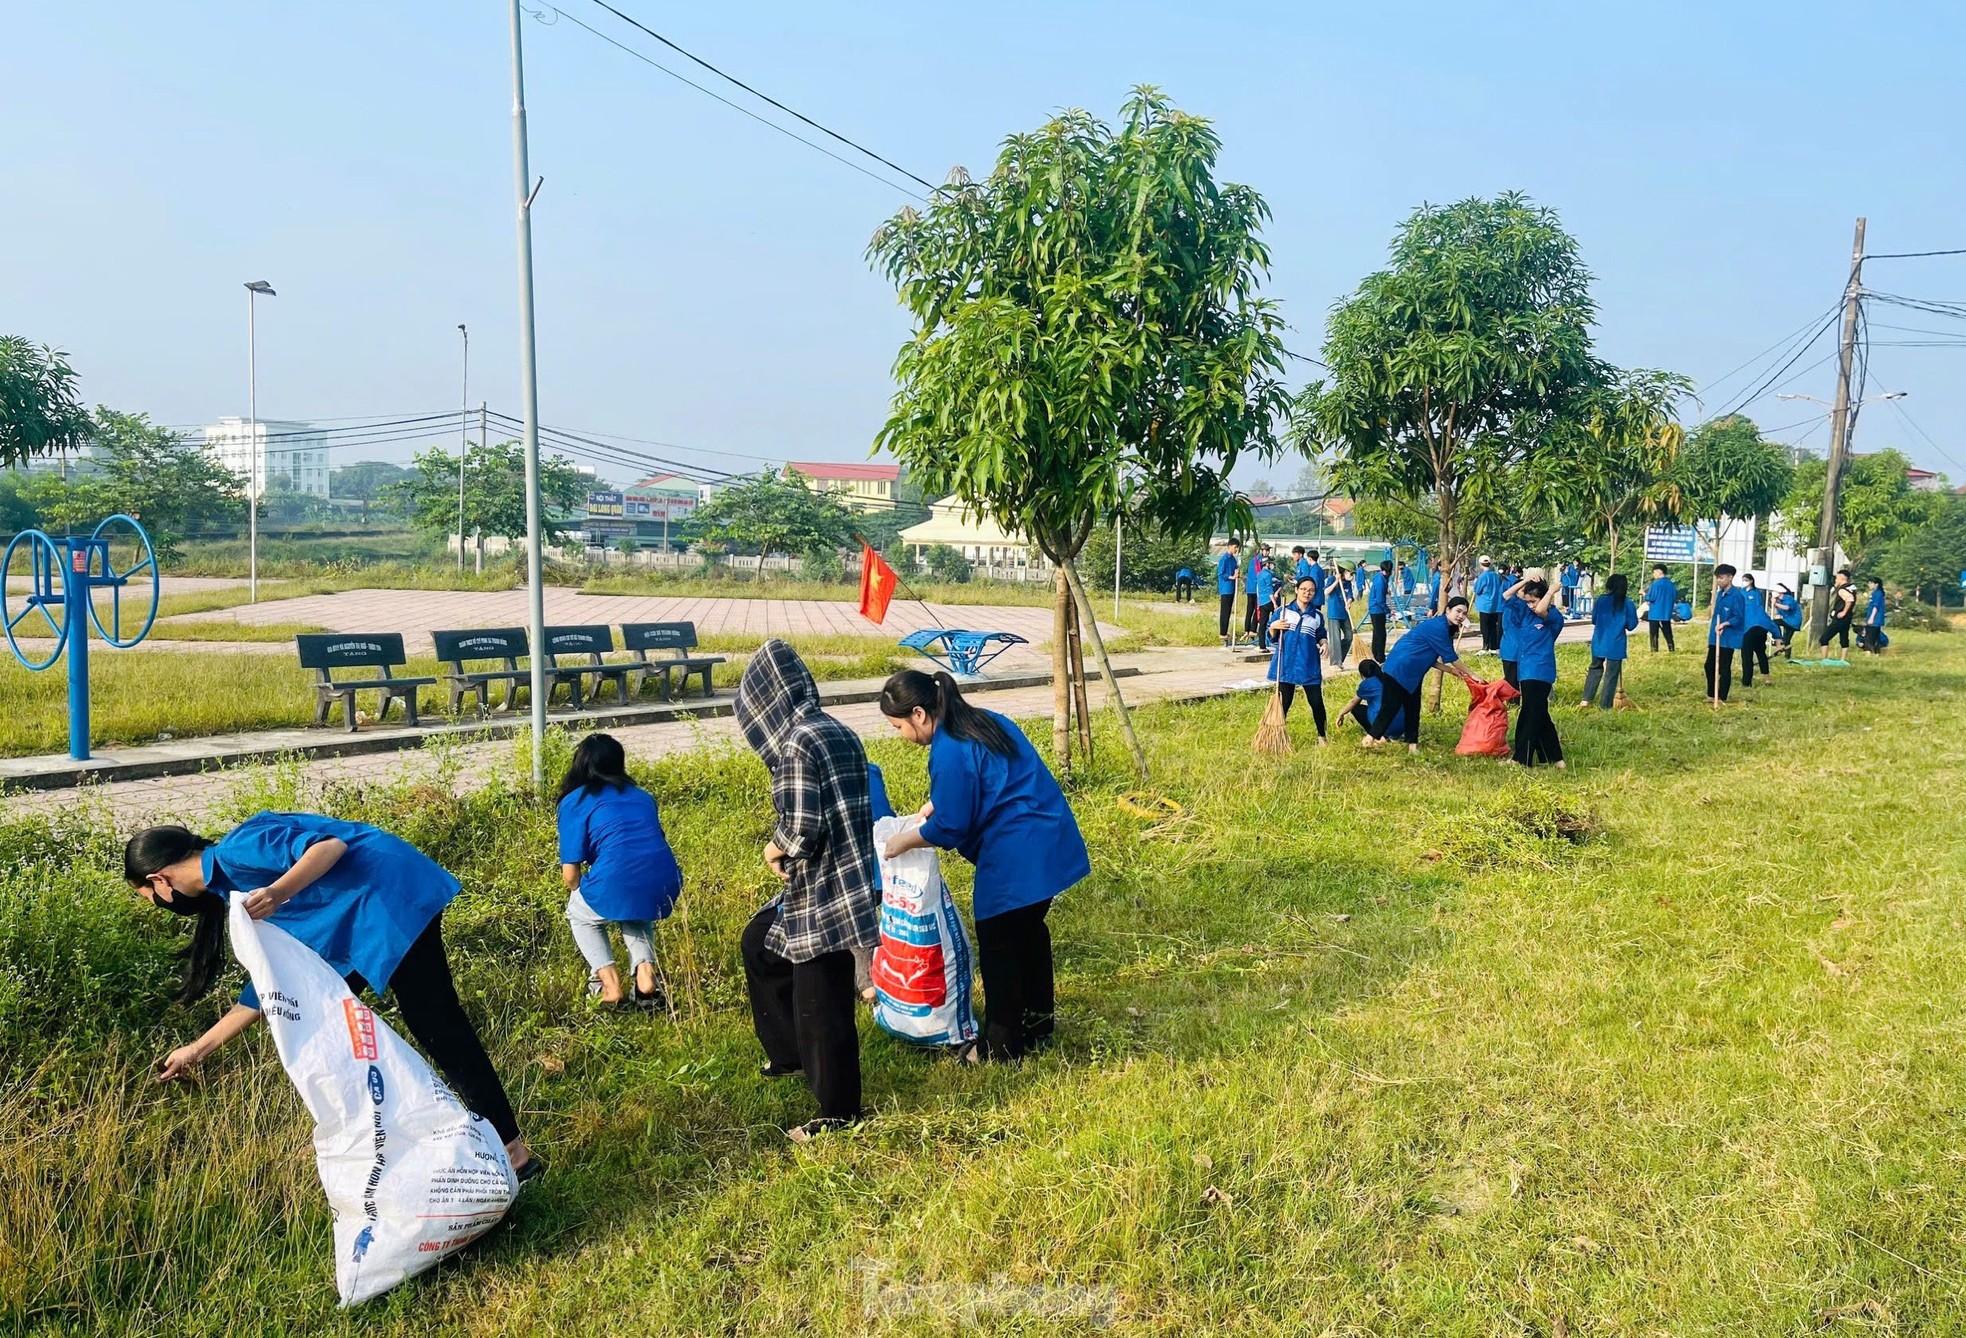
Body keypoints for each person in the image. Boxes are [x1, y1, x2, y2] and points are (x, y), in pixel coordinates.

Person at [125, 814, 539, 1180]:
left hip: (385, 898)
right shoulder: (225, 892)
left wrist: (278, 892)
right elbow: (270, 986)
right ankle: (382, 1147)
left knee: (438, 1026)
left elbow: (329, 847)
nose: (161, 904)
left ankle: (512, 1152)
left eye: (149, 898)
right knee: (328, 1031)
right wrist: (197, 1049)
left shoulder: (237, 849)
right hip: (358, 923)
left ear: (159, 880)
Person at [879, 670, 1088, 1061]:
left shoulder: (948, 750)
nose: (900, 735)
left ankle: (1001, 1046)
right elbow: (992, 779)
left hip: (1017, 855)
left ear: (919, 714)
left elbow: (952, 827)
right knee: (1029, 932)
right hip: (1048, 837)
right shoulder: (983, 720)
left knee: (1000, 944)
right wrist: (936, 803)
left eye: (897, 726)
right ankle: (1038, 1023)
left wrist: (902, 841)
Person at [734, 639, 880, 1139]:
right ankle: (790, 1056)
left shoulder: (797, 741)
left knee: (823, 1002)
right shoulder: (835, 728)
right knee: (760, 944)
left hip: (824, 887)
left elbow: (801, 827)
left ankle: (838, 1114)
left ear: (767, 699)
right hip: (846, 876)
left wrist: (773, 850)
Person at [557, 733, 682, 1011]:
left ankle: (610, 986)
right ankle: (646, 981)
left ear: (580, 765)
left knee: (581, 916)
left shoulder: (574, 801)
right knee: (636, 909)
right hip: (664, 878)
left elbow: (570, 875)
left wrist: (585, 890)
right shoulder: (642, 796)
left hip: (617, 878)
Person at [1362, 598, 1478, 754]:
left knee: (1413, 708)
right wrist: (1472, 673)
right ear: (1448, 610)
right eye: (1458, 611)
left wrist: (1450, 671)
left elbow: (1429, 657)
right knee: (1390, 707)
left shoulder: (1446, 628)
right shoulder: (1438, 627)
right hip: (1399, 668)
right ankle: (1368, 740)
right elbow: (1451, 657)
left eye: (1464, 613)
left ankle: (1412, 747)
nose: (1461, 616)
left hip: (1412, 673)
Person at [1502, 576, 1566, 767]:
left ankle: (1522, 759)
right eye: (1528, 601)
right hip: (1526, 670)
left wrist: (1551, 592)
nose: (1530, 605)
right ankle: (1555, 758)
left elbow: (1541, 609)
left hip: (1541, 671)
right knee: (1539, 714)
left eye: (1533, 600)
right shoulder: (1526, 613)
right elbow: (1506, 595)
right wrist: (1525, 580)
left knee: (1528, 715)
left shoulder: (1553, 617)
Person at [1266, 576, 1330, 743]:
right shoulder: (1284, 611)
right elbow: (1271, 637)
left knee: (1316, 702)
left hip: (1308, 665)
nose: (1307, 593)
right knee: (1283, 703)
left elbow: (1320, 635)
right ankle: (1275, 737)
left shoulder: (1316, 616)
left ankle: (1322, 736)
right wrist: (1273, 627)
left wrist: (1324, 643)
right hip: (1286, 664)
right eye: (1303, 589)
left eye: (1311, 591)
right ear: (1296, 590)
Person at [1580, 573, 1638, 710]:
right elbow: (1631, 625)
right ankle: (1604, 705)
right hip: (1616, 644)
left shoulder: (1601, 600)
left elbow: (1594, 619)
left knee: (1594, 669)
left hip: (1599, 641)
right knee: (1611, 675)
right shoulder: (1627, 603)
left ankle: (1586, 699)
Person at [1706, 564, 1746, 704]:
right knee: (1709, 666)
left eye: (1721, 578)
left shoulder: (1737, 596)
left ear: (1730, 577)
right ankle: (1711, 694)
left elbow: (1738, 617)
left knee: (1724, 667)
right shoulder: (1719, 594)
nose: (1719, 581)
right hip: (1715, 636)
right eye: (1717, 578)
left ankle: (1722, 696)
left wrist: (1725, 624)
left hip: (1728, 637)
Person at [1338, 658, 1404, 737]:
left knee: (1357, 709)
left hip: (1383, 723)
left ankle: (1375, 735)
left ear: (1362, 674)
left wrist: (1341, 714)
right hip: (1402, 722)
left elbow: (1353, 702)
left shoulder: (1368, 684)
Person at [1737, 574, 1775, 685]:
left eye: (1746, 580)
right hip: (1760, 627)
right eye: (1743, 580)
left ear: (1751, 581)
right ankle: (1766, 678)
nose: (1744, 582)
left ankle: (1747, 681)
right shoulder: (1741, 592)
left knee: (1748, 655)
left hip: (1751, 628)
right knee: (1759, 652)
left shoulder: (1756, 594)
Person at [1818, 569, 1857, 658]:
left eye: (1836, 578)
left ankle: (1824, 658)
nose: (1835, 580)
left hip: (1840, 618)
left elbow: (1850, 600)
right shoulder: (1851, 588)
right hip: (1848, 618)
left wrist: (1843, 612)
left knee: (1824, 639)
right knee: (1844, 639)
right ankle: (1843, 659)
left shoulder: (1842, 589)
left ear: (1842, 578)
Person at [1324, 560, 1354, 668]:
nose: (1351, 575)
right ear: (1345, 571)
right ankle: (1336, 663)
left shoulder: (1348, 583)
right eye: (1350, 573)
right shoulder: (1332, 579)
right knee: (1335, 639)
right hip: (1334, 613)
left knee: (1349, 636)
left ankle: (1338, 656)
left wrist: (1349, 602)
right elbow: (1326, 592)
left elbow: (1350, 596)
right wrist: (1336, 582)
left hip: (1344, 613)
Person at [1473, 556, 1504, 653]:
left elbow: (1477, 590)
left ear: (1480, 564)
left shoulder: (1482, 576)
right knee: (1493, 626)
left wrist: (1475, 583)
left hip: (1485, 605)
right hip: (1495, 605)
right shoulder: (1496, 576)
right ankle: (1493, 647)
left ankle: (1485, 647)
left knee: (1485, 627)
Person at [1250, 552, 1280, 652]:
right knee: (1277, 620)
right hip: (1268, 601)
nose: (1271, 565)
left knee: (1262, 624)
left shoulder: (1259, 575)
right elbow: (1269, 591)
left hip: (1262, 601)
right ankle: (1276, 641)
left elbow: (1260, 588)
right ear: (1267, 564)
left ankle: (1262, 645)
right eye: (1270, 563)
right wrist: (1275, 603)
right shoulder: (1268, 575)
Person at [1645, 566, 1679, 652]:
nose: (1653, 574)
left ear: (1659, 572)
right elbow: (1674, 596)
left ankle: (1654, 650)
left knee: (1654, 634)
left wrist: (1644, 594)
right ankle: (1671, 648)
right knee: (1668, 632)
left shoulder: (1656, 584)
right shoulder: (1671, 584)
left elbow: (1651, 597)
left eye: (1654, 572)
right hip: (1666, 613)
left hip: (1655, 613)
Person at [1215, 540, 1240, 647]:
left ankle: (1225, 632)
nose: (1236, 549)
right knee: (1224, 611)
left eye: (1237, 547)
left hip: (1232, 589)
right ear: (1229, 546)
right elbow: (1221, 574)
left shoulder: (1233, 560)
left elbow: (1235, 570)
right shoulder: (1224, 559)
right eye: (1235, 547)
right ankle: (1223, 632)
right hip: (1225, 589)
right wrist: (1232, 577)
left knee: (1229, 611)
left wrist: (1237, 574)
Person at [1367, 560, 1393, 661]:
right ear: (1383, 570)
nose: (1387, 574)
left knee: (1377, 633)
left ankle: (1375, 654)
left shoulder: (1381, 578)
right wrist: (1388, 610)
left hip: (1377, 609)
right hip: (1377, 610)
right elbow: (1379, 600)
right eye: (1386, 572)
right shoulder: (1380, 581)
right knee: (1381, 634)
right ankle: (1380, 657)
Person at [1772, 583, 1803, 657]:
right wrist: (1774, 605)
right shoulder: (1779, 601)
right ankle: (1787, 657)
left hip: (1793, 621)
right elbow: (1777, 613)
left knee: (1773, 623)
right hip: (1788, 621)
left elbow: (1787, 607)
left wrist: (1776, 604)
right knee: (1787, 640)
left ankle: (1779, 640)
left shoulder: (1788, 598)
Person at [1862, 576, 1887, 654]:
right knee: (1876, 636)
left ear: (1876, 584)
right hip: (1875, 619)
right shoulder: (1876, 593)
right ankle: (1876, 652)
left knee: (1870, 636)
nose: (1869, 585)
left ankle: (1869, 651)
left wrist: (1871, 618)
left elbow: (1875, 606)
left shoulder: (1877, 593)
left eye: (1871, 583)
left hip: (1875, 619)